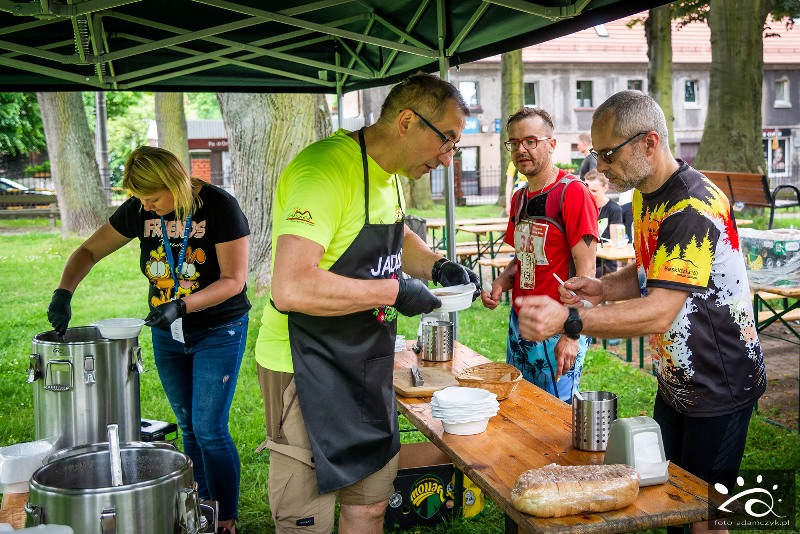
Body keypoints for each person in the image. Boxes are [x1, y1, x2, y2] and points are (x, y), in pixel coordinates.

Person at [514, 90, 766, 534]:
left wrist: (569, 320)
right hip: (677, 381)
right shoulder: (646, 193)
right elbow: (652, 268)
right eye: (596, 154)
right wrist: (602, 287)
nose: (600, 167)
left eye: (608, 154)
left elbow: (659, 311)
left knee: (709, 515)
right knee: (671, 499)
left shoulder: (692, 206)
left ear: (648, 143)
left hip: (721, 383)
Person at [254, 73, 481, 534]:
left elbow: (396, 233)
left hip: (366, 362)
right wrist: (394, 292)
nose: (448, 157)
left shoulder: (391, 175)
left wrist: (436, 266)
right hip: (304, 366)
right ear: (406, 122)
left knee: (370, 505)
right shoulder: (323, 172)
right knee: (307, 522)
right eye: (447, 140)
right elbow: (291, 287)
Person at [46, 146, 250, 534]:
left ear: (174, 183)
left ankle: (224, 518)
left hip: (218, 329)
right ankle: (201, 508)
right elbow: (88, 250)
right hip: (168, 332)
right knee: (188, 426)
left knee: (209, 429)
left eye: (152, 198)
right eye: (140, 199)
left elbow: (233, 281)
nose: (146, 206)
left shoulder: (219, 206)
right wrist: (63, 292)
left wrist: (183, 305)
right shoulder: (140, 210)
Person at [480, 107, 598, 403]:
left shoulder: (573, 193)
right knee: (519, 406)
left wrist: (572, 334)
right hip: (520, 325)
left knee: (554, 414)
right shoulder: (520, 197)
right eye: (514, 142)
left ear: (551, 144)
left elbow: (588, 274)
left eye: (531, 141)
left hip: (558, 326)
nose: (521, 149)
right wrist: (501, 283)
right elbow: (523, 259)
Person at [585, 168, 623, 277]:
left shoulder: (614, 209)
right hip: (586, 261)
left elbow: (615, 242)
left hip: (605, 263)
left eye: (594, 191)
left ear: (605, 188)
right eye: (587, 190)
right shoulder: (583, 208)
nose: (590, 194)